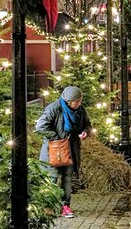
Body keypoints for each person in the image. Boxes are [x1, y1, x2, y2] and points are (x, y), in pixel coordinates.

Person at [34, 84, 93, 218]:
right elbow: (40, 126)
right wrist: (56, 137)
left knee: (67, 178)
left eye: (80, 101)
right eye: (76, 101)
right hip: (54, 149)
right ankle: (48, 206)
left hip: (70, 149)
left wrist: (84, 132)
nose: (79, 103)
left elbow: (87, 125)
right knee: (52, 177)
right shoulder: (54, 108)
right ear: (68, 102)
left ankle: (65, 205)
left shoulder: (80, 110)